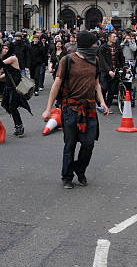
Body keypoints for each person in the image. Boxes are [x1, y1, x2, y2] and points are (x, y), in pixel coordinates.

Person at [42, 31, 108, 189]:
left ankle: (80, 169)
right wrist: (48, 109)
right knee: (70, 144)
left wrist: (103, 102)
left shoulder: (95, 60)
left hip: (89, 107)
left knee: (89, 144)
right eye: (93, 44)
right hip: (71, 108)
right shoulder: (68, 60)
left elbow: (96, 82)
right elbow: (56, 84)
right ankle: (67, 177)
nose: (96, 46)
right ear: (86, 44)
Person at [0, 41, 32, 137]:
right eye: (4, 48)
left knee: (12, 106)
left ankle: (19, 126)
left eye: (7, 48)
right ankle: (18, 124)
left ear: (11, 49)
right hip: (9, 86)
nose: (5, 50)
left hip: (15, 87)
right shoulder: (6, 58)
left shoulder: (13, 58)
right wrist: (0, 77)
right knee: (6, 105)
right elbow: (8, 71)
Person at [97, 31, 124, 109]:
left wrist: (123, 67)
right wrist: (108, 70)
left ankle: (108, 106)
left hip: (115, 70)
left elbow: (121, 58)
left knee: (112, 90)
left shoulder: (118, 47)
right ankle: (101, 102)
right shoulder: (103, 47)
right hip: (105, 71)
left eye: (116, 37)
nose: (115, 38)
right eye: (114, 37)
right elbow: (102, 60)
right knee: (104, 87)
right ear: (109, 38)